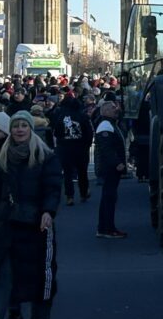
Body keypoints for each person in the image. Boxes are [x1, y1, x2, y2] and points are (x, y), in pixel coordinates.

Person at [0, 110, 61, 319]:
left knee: (42, 275)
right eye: (16, 126)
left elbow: (52, 186)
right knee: (6, 273)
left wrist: (48, 211)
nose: (19, 129)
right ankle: (6, 317)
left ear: (30, 129)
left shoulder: (45, 156)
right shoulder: (3, 158)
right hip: (8, 223)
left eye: (23, 126)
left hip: (37, 223)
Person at [51, 94, 93, 206]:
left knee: (67, 173)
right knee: (82, 171)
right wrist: (87, 145)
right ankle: (84, 192)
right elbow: (89, 132)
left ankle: (70, 196)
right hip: (81, 147)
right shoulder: (82, 116)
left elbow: (57, 132)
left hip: (65, 147)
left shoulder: (61, 116)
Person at [94, 100, 127, 239]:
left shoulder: (110, 124)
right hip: (109, 168)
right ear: (106, 111)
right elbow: (106, 148)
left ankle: (104, 228)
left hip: (110, 167)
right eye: (113, 108)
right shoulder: (105, 125)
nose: (116, 110)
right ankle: (108, 228)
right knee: (109, 198)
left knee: (109, 197)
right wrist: (117, 163)